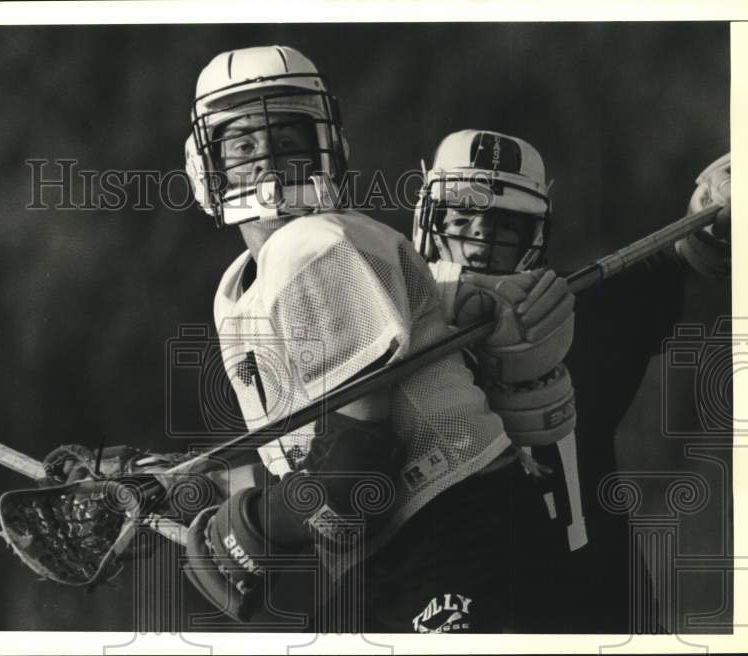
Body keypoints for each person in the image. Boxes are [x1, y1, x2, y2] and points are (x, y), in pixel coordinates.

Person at [177, 47, 577, 633]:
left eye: (288, 137)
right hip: (393, 553)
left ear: (328, 146)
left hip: (460, 527)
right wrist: (184, 489)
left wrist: (256, 525)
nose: (268, 162)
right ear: (204, 166)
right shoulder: (235, 288)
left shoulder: (314, 245)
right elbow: (311, 464)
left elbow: (354, 481)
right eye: (242, 145)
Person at [412, 129, 731, 632]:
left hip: (600, 616)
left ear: (534, 236)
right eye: (462, 218)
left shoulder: (590, 316)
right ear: (431, 220)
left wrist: (716, 209)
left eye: (503, 227)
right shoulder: (390, 344)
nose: (479, 242)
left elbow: (686, 255)